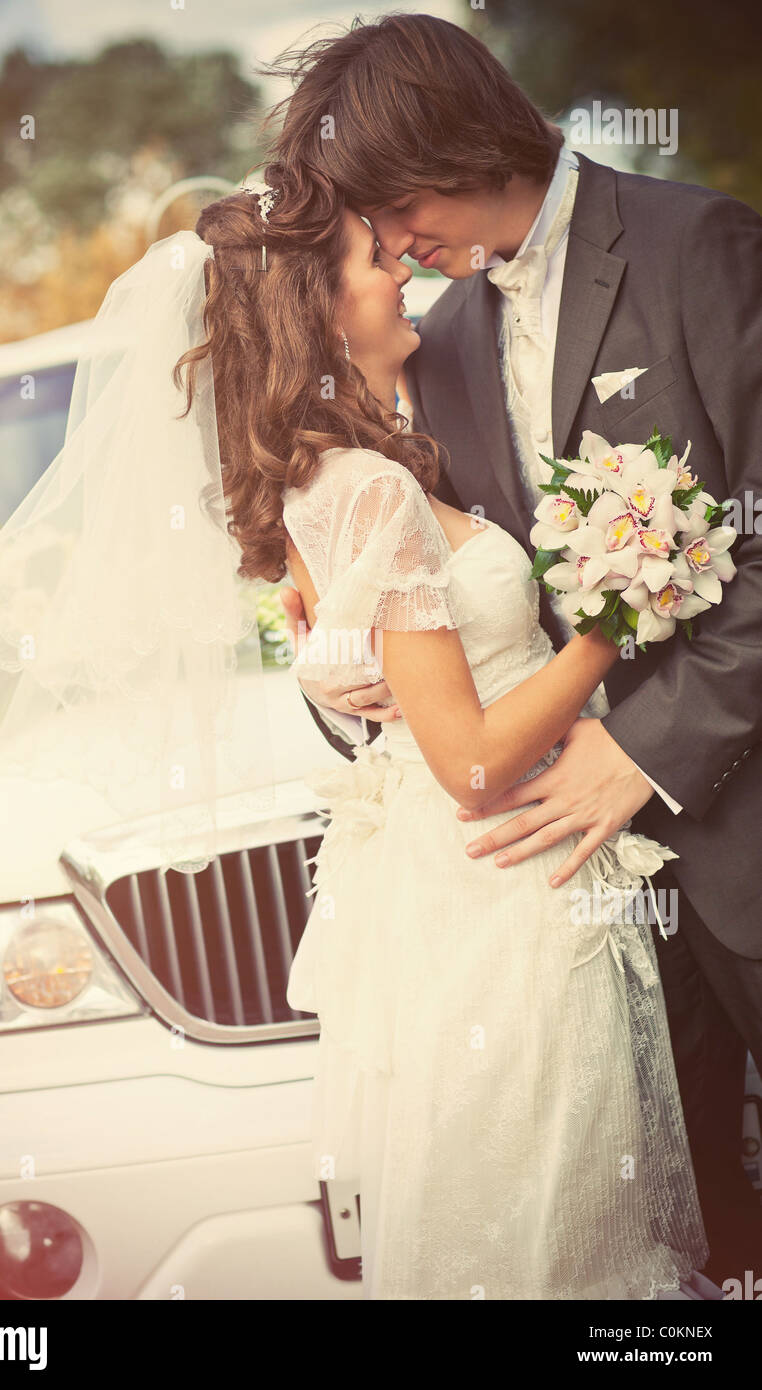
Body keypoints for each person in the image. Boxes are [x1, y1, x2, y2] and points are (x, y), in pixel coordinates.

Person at [266, 12, 762, 1289]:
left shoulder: (692, 246)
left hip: (736, 829)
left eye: (385, 206)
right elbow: (452, 614)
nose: (385, 246)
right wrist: (337, 676)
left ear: (449, 137)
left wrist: (642, 754)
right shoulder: (449, 343)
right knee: (686, 1238)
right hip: (580, 917)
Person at [163, 173, 707, 1299]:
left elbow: (376, 679)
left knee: (498, 1220)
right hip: (503, 875)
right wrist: (616, 614)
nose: (402, 266)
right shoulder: (369, 488)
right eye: (374, 258)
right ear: (319, 307)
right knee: (563, 1235)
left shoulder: (318, 474)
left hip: (440, 895)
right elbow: (466, 762)